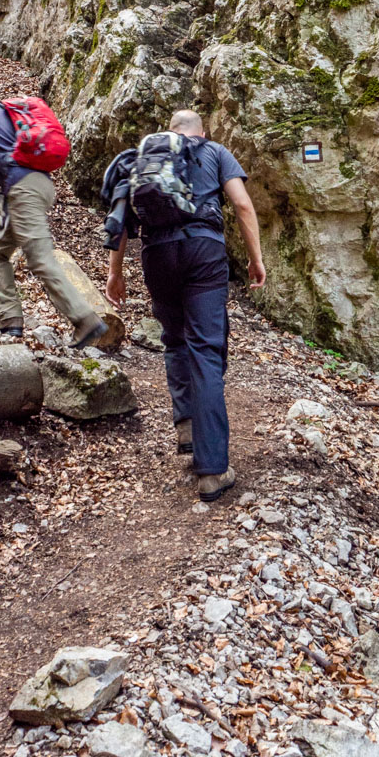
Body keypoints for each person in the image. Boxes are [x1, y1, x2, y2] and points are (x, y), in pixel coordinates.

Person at [105, 109, 266, 501]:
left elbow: (123, 218)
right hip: (203, 251)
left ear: (171, 131)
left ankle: (188, 429)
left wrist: (115, 272)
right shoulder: (213, 151)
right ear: (202, 131)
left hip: (157, 253)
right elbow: (243, 205)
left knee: (175, 341)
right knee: (206, 351)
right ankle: (211, 472)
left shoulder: (145, 157)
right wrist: (255, 258)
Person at [0, 74, 107, 346]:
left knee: (39, 258)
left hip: (23, 190)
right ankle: (9, 320)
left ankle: (86, 320)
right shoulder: (10, 114)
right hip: (37, 185)